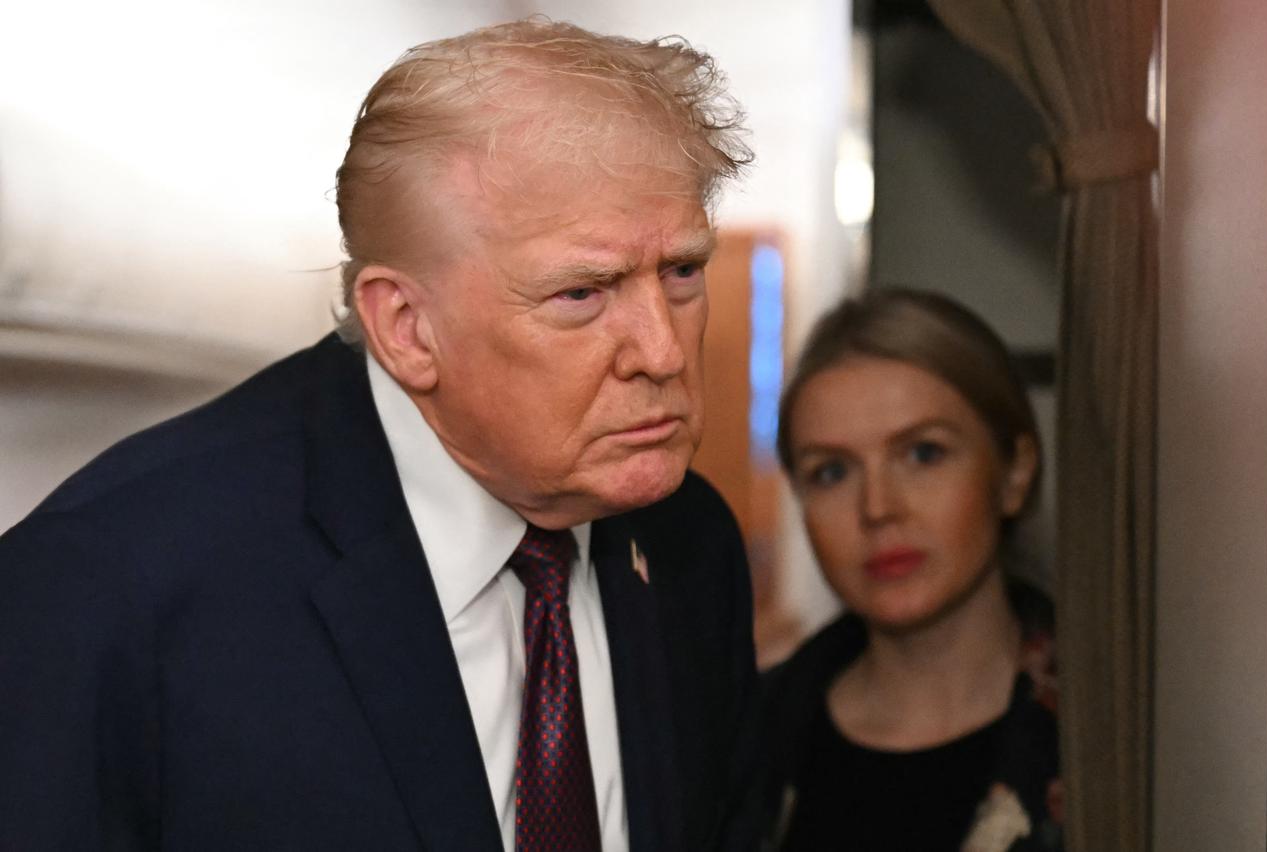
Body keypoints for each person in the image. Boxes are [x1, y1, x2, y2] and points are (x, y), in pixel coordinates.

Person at [0, 20, 759, 852]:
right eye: (582, 293)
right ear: (406, 327)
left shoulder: (691, 544)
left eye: (683, 271)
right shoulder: (110, 590)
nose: (662, 351)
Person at [759, 290, 1063, 852]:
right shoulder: (739, 742)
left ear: (1014, 473)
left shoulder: (1110, 740)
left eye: (924, 453)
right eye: (832, 472)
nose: (878, 507)